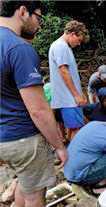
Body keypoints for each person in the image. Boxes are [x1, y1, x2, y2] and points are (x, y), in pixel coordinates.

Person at [0, 1, 68, 207]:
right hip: (23, 137)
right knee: (35, 198)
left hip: (3, 138)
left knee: (25, 182)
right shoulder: (19, 48)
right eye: (38, 18)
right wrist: (59, 146)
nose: (39, 26)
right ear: (22, 11)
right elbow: (38, 110)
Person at [64, 113, 106, 194]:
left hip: (68, 171)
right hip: (80, 176)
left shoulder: (93, 124)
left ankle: (96, 182)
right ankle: (100, 185)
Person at [49, 20, 89, 142]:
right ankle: (74, 157)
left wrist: (79, 92)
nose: (78, 44)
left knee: (72, 128)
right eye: (79, 40)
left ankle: (69, 155)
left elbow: (70, 73)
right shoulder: (60, 47)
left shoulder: (63, 46)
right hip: (69, 100)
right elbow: (64, 71)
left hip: (69, 98)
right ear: (72, 34)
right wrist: (76, 95)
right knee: (77, 128)